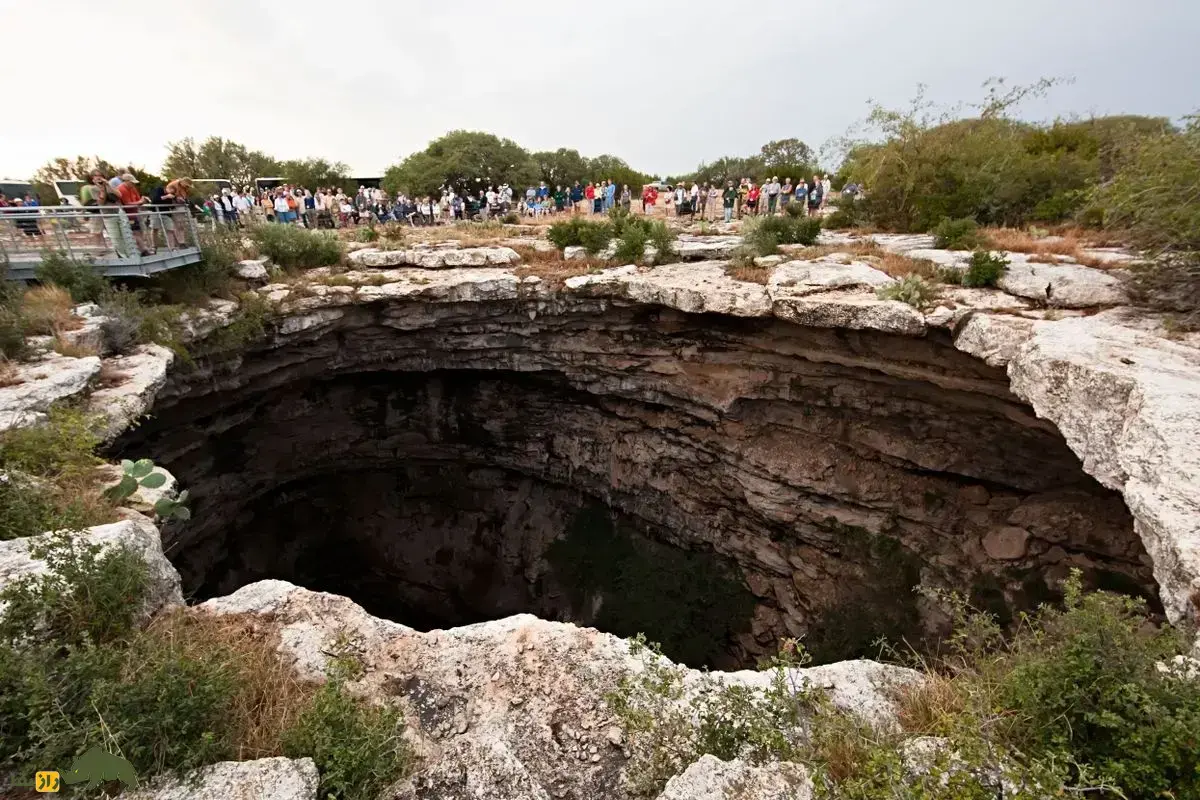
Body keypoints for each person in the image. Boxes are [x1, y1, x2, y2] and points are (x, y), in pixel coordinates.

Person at [116, 172, 152, 254]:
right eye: (131, 182)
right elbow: (127, 204)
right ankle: (143, 250)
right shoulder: (121, 189)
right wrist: (139, 202)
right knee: (135, 232)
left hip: (135, 213)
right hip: (128, 215)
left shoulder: (132, 188)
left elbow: (138, 199)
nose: (133, 184)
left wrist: (142, 200)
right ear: (126, 181)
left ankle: (142, 249)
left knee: (140, 231)